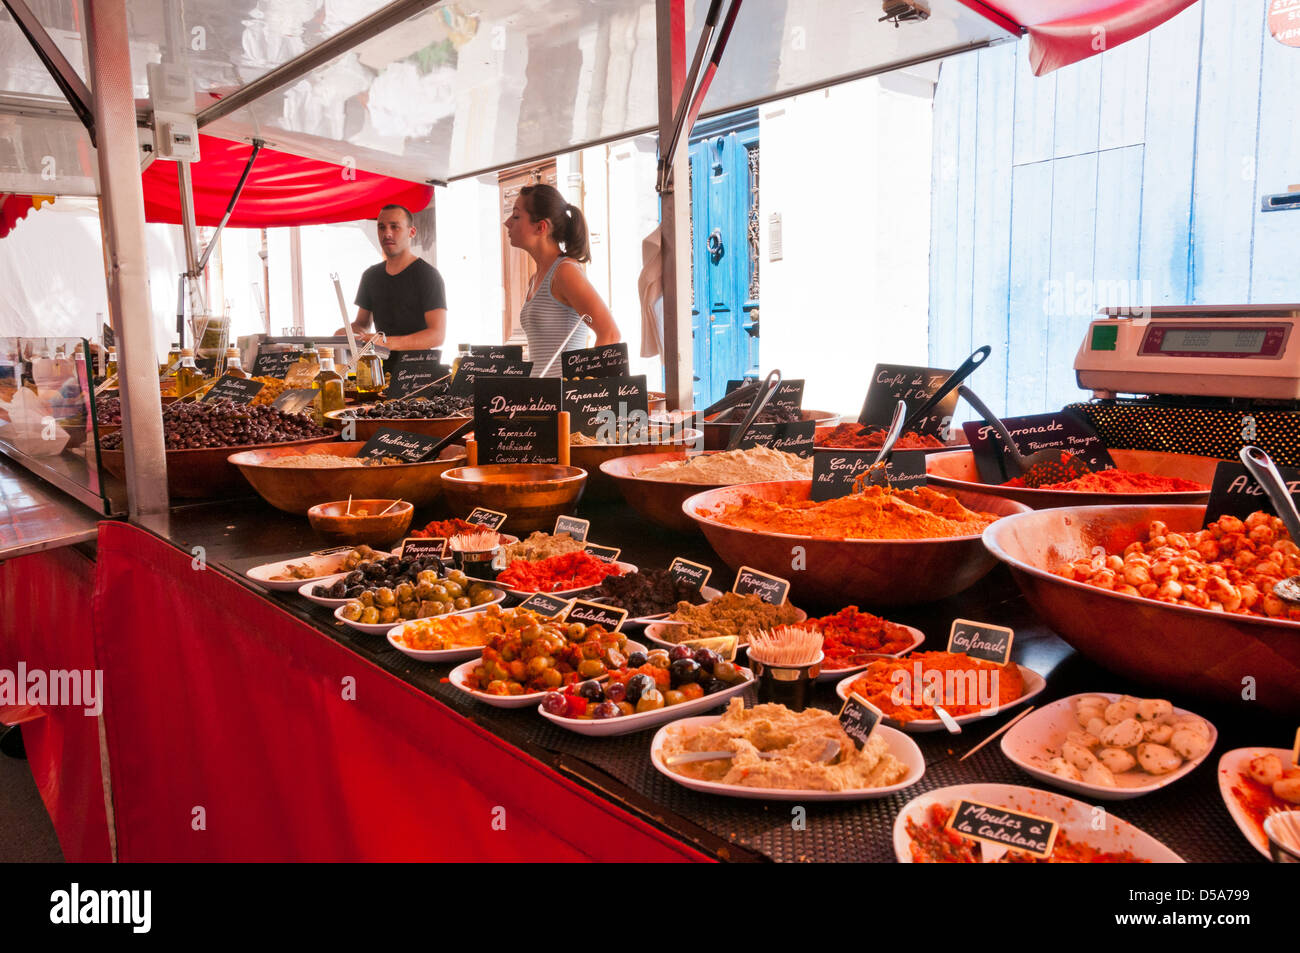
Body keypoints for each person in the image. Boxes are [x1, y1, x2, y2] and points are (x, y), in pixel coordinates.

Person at [503, 184, 620, 377]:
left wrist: (583, 389)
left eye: (516, 216)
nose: (507, 222)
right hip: (541, 400)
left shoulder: (565, 272)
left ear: (541, 227)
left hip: (563, 402)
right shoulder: (536, 278)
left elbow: (610, 334)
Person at [339, 204, 447, 354]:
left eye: (395, 227)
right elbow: (362, 324)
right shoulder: (370, 276)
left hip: (419, 369)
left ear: (412, 232)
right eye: (381, 227)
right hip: (380, 367)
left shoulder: (428, 276)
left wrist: (388, 342)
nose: (387, 233)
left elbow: (437, 335)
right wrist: (345, 335)